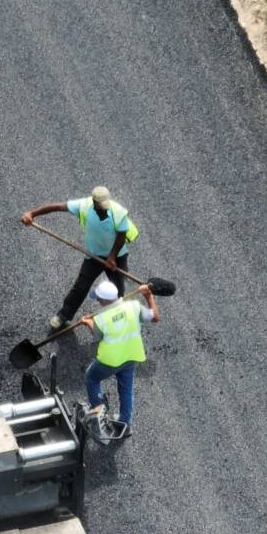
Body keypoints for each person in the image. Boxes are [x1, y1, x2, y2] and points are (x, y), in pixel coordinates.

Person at [21, 185, 140, 329]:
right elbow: (58, 207)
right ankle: (64, 315)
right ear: (94, 202)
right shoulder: (83, 205)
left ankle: (115, 321)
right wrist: (32, 213)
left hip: (117, 256)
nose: (105, 208)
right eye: (101, 205)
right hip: (94, 255)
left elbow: (121, 235)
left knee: (117, 290)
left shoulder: (118, 212)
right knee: (81, 286)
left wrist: (112, 257)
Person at [80, 280, 160, 439]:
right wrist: (149, 296)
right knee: (126, 388)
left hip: (109, 361)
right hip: (131, 356)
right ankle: (126, 423)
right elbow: (155, 317)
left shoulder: (101, 318)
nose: (97, 301)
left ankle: (98, 418)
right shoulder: (134, 306)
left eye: (98, 299)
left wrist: (87, 322)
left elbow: (97, 335)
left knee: (92, 378)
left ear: (102, 300)